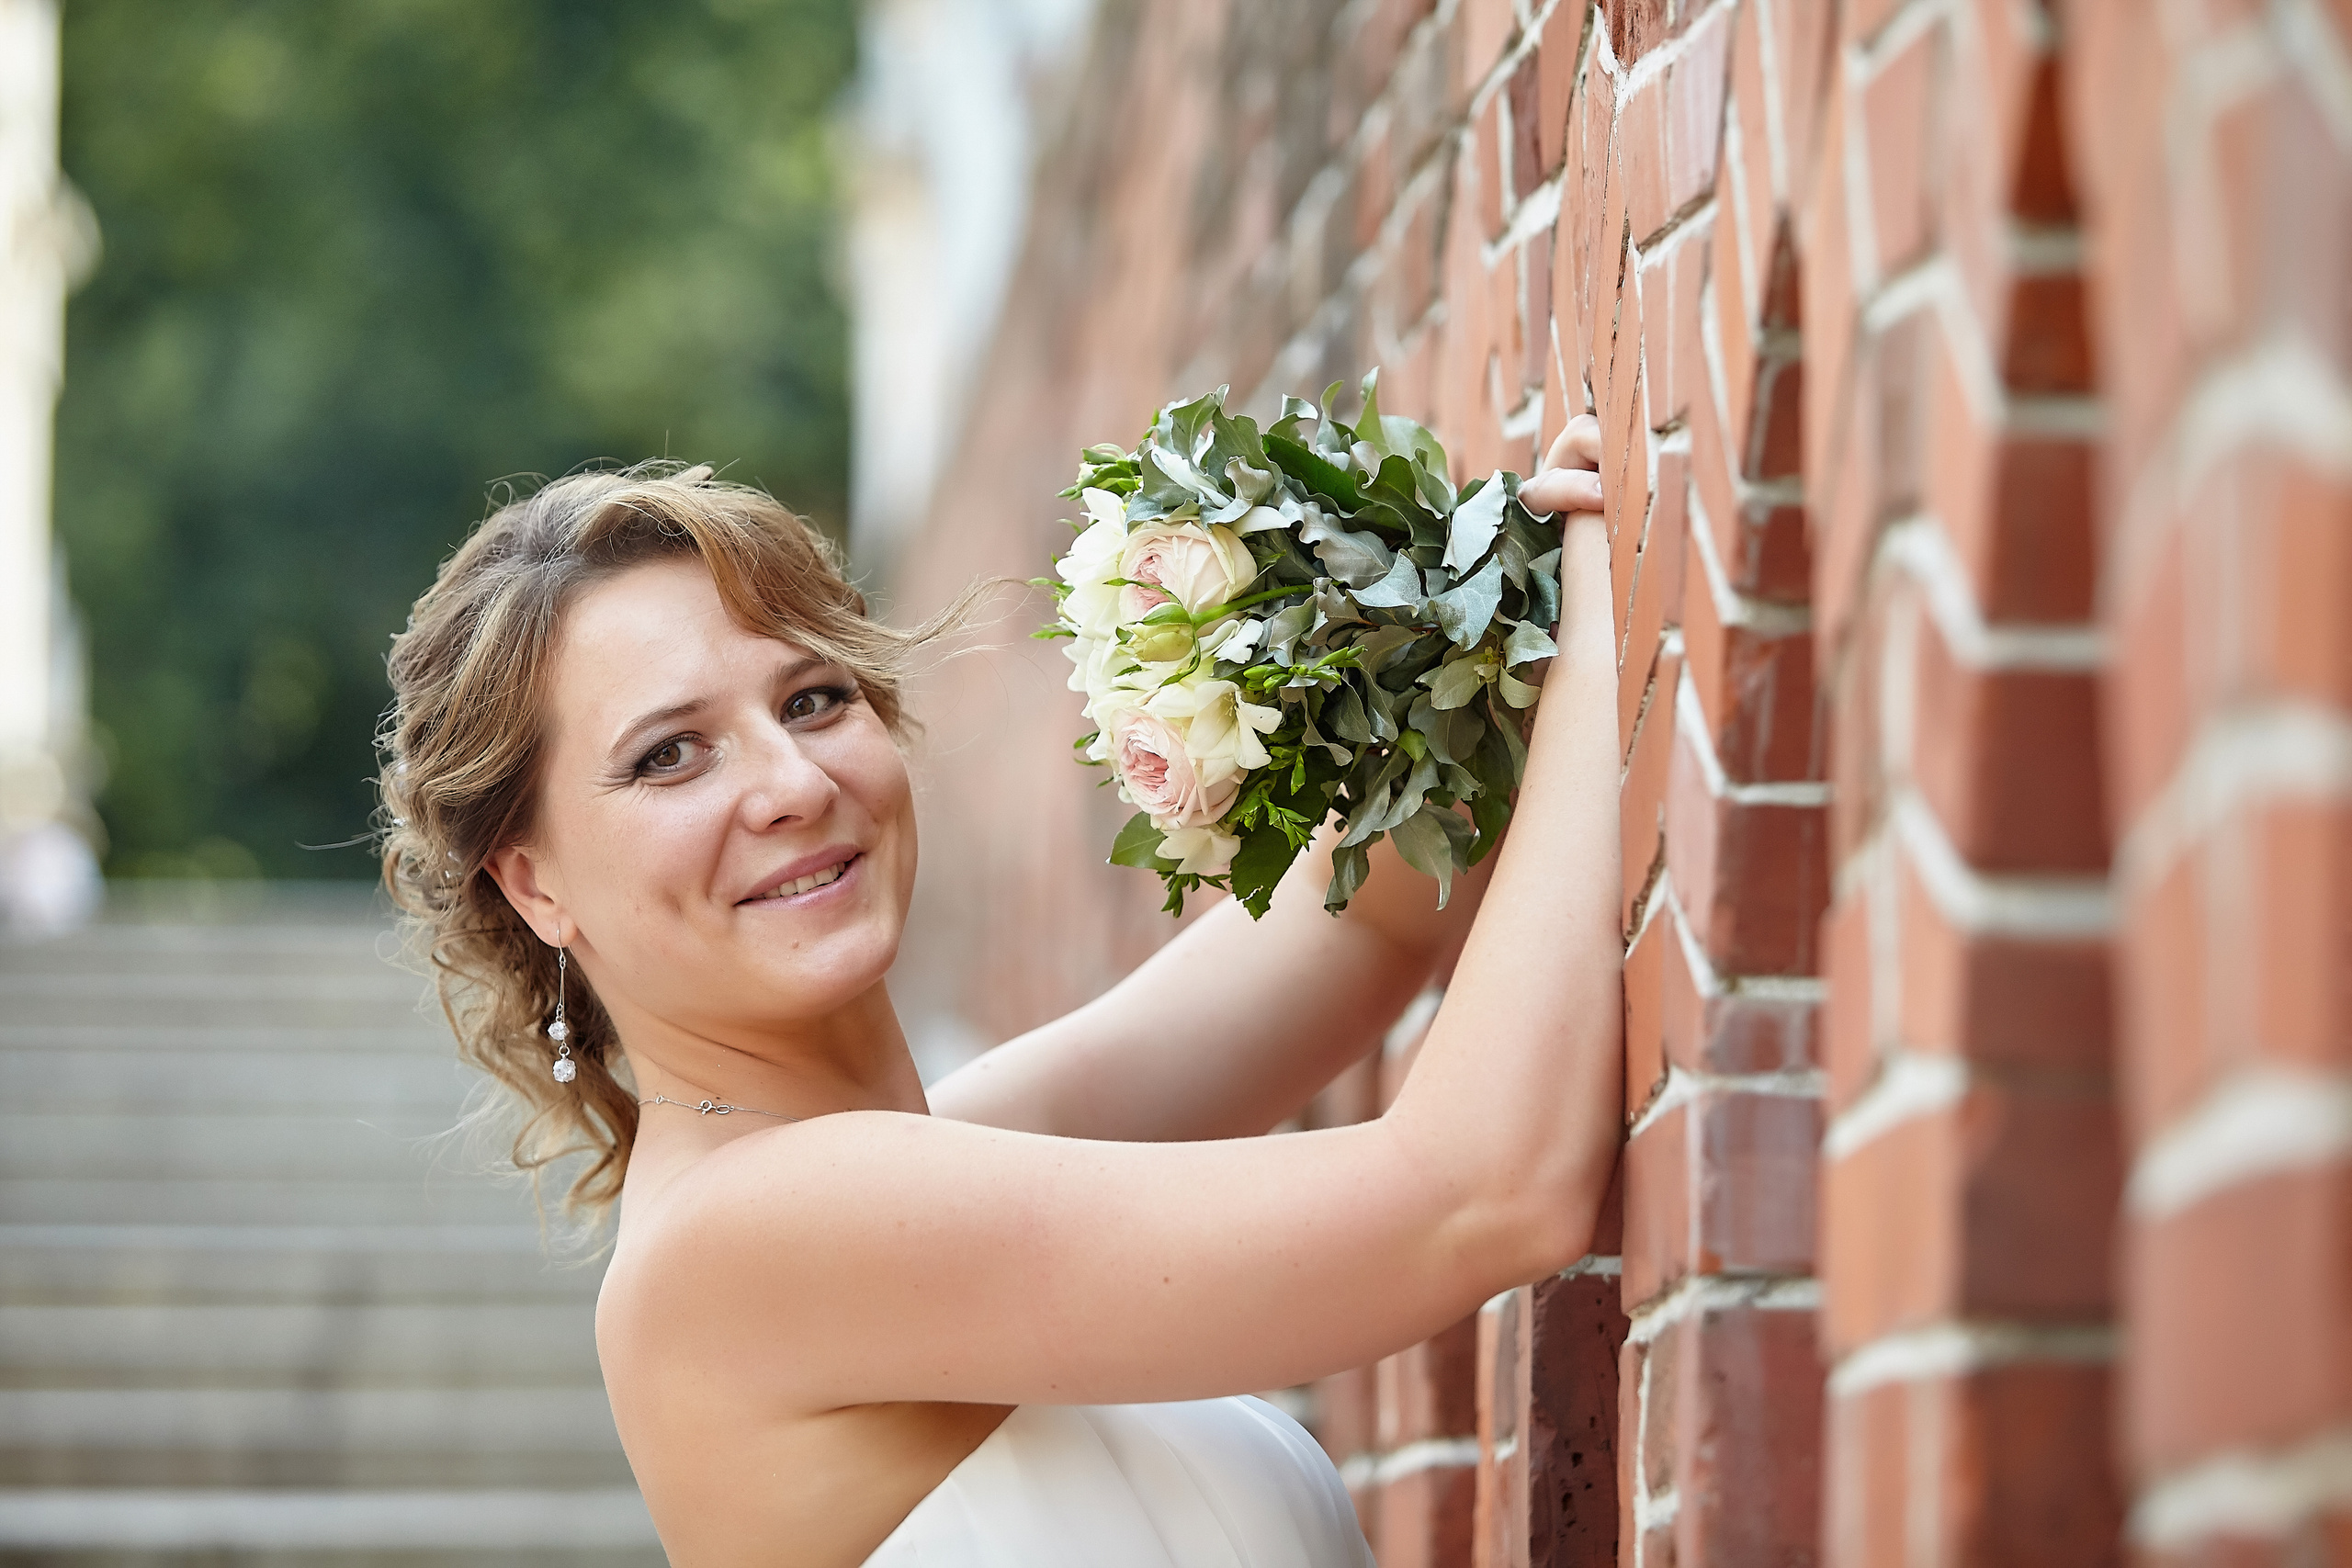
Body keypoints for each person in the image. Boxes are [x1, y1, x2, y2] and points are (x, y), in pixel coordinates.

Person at [377, 413, 1622, 1566]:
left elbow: (1359, 932)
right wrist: (1615, 616)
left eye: (813, 698)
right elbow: (1485, 1196)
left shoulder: (919, 1165)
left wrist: (1493, 598)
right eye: (669, 756)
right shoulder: (752, 1236)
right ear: (535, 884)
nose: (793, 783)